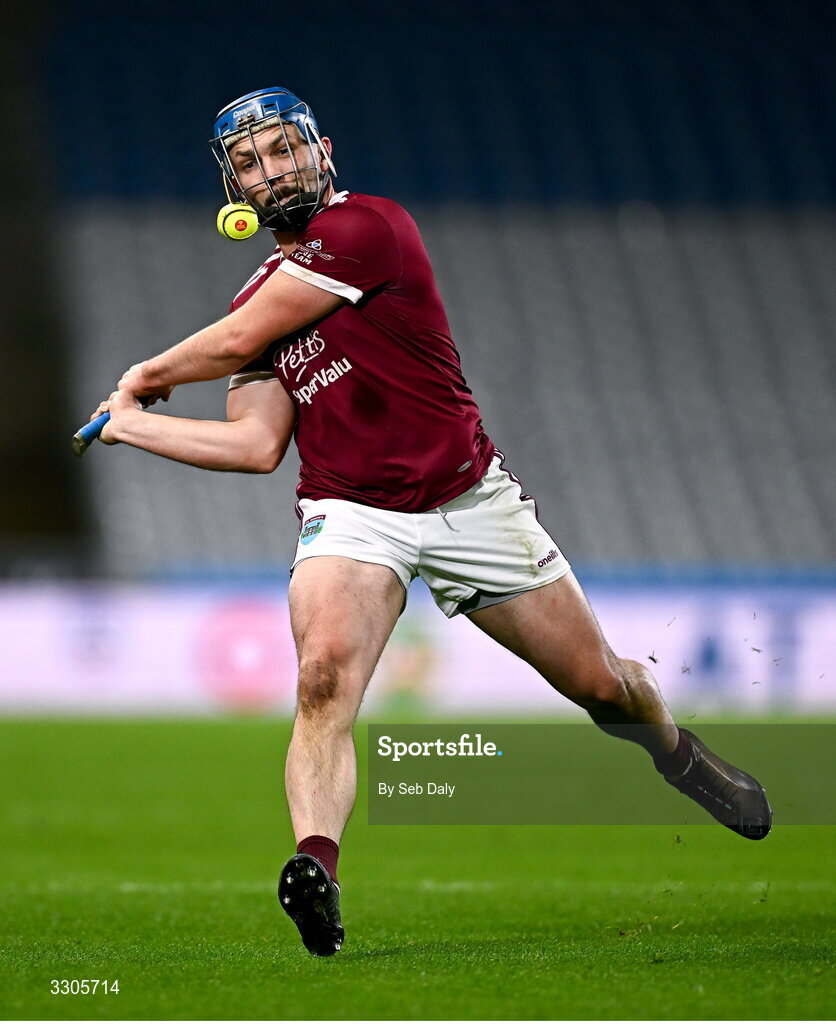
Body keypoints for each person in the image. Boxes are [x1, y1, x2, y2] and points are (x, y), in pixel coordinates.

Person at [92, 86, 772, 957]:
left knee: (604, 687)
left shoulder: (370, 229)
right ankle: (316, 866)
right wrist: (135, 425)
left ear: (323, 150)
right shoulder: (257, 300)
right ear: (234, 188)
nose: (273, 171)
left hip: (468, 501)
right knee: (323, 681)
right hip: (350, 513)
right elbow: (257, 445)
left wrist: (145, 373)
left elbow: (226, 348)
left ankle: (679, 756)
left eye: (284, 150)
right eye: (251, 163)